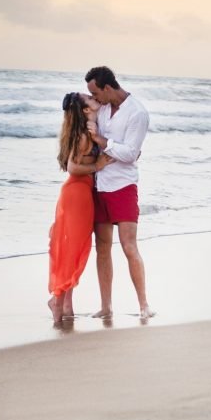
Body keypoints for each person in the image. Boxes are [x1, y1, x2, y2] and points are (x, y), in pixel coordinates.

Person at [84, 66, 154, 320]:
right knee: (102, 248)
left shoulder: (137, 113)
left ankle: (144, 305)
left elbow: (130, 154)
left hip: (123, 186)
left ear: (107, 88)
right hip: (99, 185)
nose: (93, 98)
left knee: (128, 246)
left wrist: (103, 142)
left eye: (95, 93)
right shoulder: (102, 107)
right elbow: (119, 150)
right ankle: (106, 307)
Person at [48, 92, 111, 323]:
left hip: (79, 194)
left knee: (74, 249)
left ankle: (66, 304)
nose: (95, 99)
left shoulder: (86, 131)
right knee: (73, 250)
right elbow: (73, 167)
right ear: (86, 110)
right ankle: (57, 301)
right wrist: (97, 166)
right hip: (77, 194)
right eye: (90, 99)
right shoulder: (83, 136)